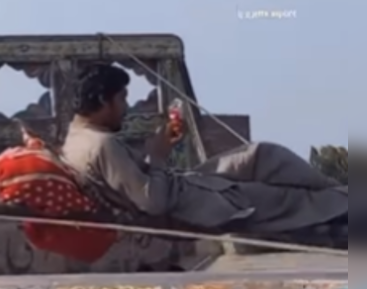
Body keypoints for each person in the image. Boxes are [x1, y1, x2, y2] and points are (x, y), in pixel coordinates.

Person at [59, 64, 347, 234]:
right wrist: (158, 156)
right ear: (102, 100)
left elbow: (134, 183)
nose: (125, 108)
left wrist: (158, 151)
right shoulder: (101, 144)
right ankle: (345, 200)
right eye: (121, 99)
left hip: (187, 183)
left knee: (258, 154)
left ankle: (337, 190)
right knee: (290, 199)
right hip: (197, 204)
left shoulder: (79, 138)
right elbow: (152, 203)